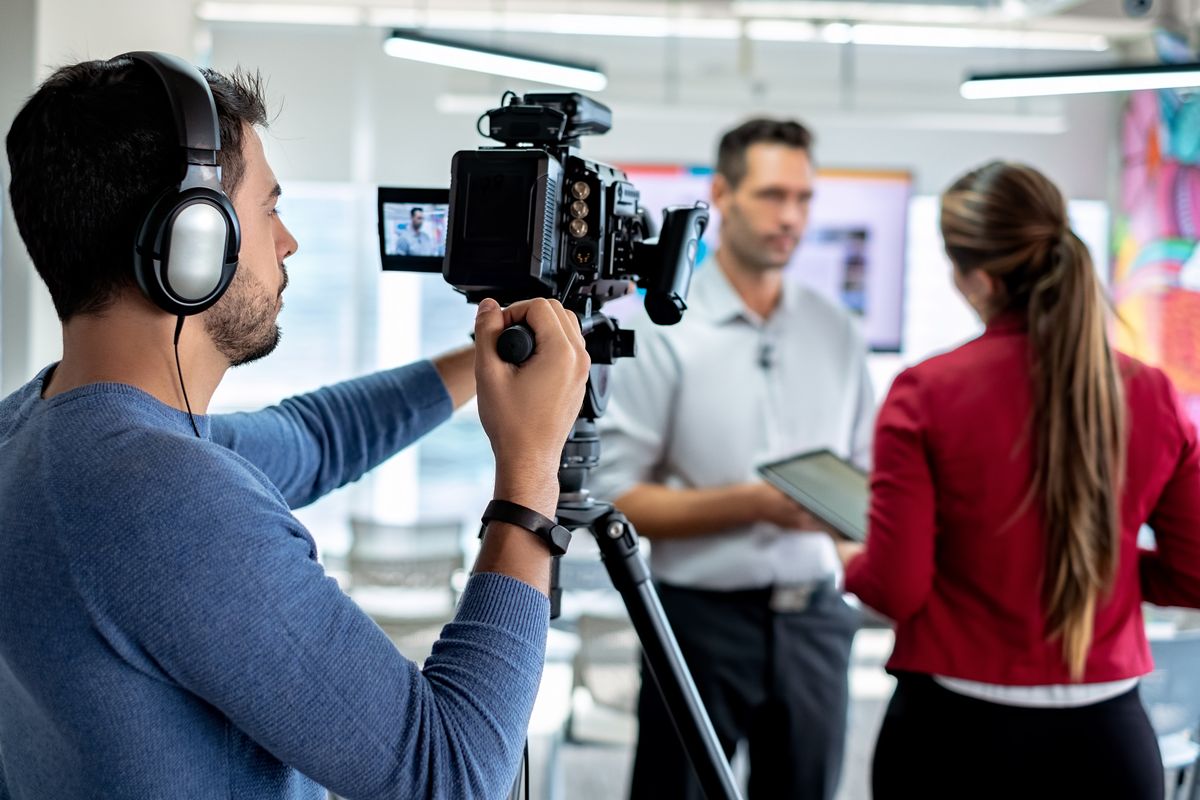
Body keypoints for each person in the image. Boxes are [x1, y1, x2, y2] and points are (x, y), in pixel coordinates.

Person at [0, 54, 590, 799]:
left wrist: (484, 365)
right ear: (193, 241)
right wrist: (530, 473)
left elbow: (314, 439)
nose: (288, 243)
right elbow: (454, 773)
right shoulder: (160, 494)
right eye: (268, 209)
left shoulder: (39, 433)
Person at [840, 161, 1200, 799]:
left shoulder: (926, 393)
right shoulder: (1152, 394)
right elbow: (1195, 573)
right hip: (1109, 746)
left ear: (975, 278)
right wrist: (1095, 564)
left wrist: (846, 554)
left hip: (954, 739)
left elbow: (894, 587)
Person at [592, 118, 875, 800]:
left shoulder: (835, 329)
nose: (791, 217)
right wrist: (754, 505)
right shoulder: (666, 328)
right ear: (722, 193)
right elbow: (617, 497)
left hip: (816, 624)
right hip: (697, 623)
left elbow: (868, 486)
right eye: (774, 195)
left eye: (804, 199)